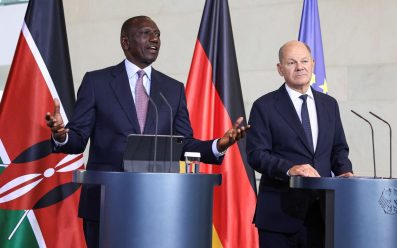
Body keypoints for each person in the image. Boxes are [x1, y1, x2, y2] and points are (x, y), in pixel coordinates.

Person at [45, 15, 249, 248]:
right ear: (125, 42)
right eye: (146, 33)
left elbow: (184, 145)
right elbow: (78, 139)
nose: (155, 39)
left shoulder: (172, 89)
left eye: (158, 34)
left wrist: (218, 145)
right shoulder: (96, 82)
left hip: (158, 206)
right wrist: (61, 135)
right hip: (105, 202)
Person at [246, 40, 353, 248]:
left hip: (323, 215)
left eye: (304, 61)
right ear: (280, 69)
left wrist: (344, 172)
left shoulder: (329, 105)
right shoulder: (264, 106)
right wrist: (290, 168)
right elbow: (256, 154)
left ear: (313, 64)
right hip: (280, 217)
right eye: (291, 62)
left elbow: (338, 148)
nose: (299, 67)